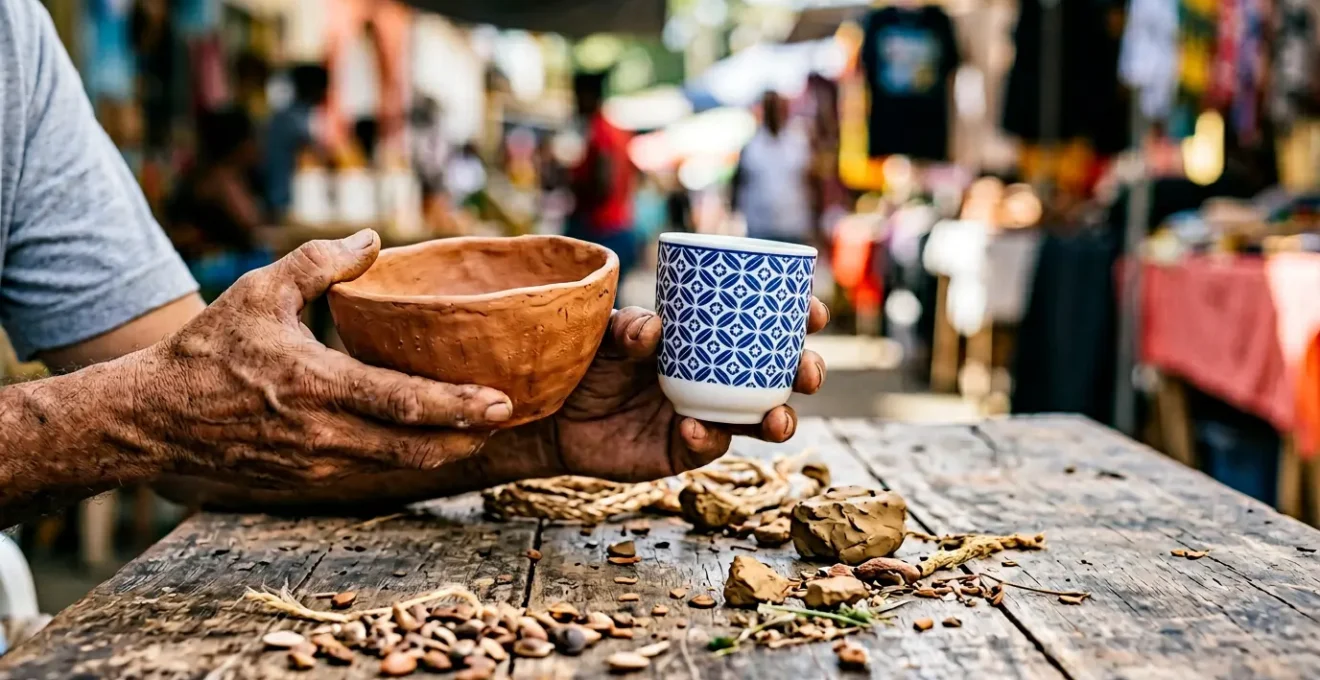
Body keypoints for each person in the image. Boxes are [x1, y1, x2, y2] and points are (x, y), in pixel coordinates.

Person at [0, 0, 829, 525]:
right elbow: (168, 409)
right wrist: (149, 409)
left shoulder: (19, 39)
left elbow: (196, 441)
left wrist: (526, 438)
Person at [567, 71, 640, 288]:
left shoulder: (600, 132)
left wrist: (575, 185)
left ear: (588, 96)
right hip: (622, 228)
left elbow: (603, 184)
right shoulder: (618, 131)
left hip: (602, 231)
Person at [731, 91, 816, 247]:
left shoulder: (798, 142)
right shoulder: (751, 146)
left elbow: (810, 181)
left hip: (794, 224)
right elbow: (738, 182)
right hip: (759, 226)